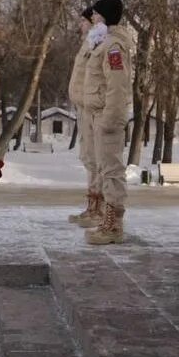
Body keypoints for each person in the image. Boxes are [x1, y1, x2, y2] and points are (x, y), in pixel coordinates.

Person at [82, 0, 134, 245]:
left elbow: (117, 84)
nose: (92, 18)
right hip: (98, 114)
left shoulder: (114, 46)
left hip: (107, 116)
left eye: (95, 14)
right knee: (104, 168)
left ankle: (114, 226)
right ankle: (107, 220)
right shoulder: (103, 43)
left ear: (104, 16)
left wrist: (111, 119)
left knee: (112, 170)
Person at [67, 12, 105, 227]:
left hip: (93, 108)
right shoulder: (88, 43)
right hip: (83, 107)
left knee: (95, 159)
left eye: (83, 20)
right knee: (88, 157)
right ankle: (91, 206)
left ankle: (98, 209)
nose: (80, 24)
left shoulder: (98, 42)